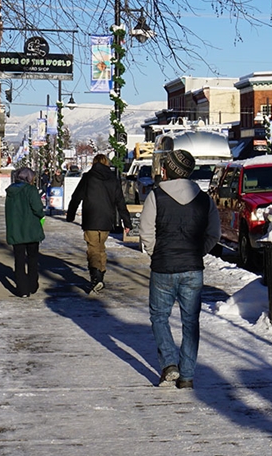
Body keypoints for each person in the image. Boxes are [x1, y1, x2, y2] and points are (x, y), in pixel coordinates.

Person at [139, 149, 220, 390]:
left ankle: (169, 363)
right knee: (190, 322)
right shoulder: (205, 200)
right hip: (192, 268)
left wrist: (156, 252)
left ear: (167, 170)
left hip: (163, 267)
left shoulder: (156, 196)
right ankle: (187, 375)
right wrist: (198, 251)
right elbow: (213, 233)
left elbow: (146, 232)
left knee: (159, 316)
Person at [66, 153, 132, 293]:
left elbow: (76, 197)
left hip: (91, 218)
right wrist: (127, 222)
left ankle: (96, 277)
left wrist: (70, 215)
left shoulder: (88, 178)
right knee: (100, 248)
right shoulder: (113, 180)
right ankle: (100, 275)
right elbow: (120, 202)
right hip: (107, 219)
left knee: (93, 249)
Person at [5, 166, 45, 297]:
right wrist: (41, 215)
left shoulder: (10, 192)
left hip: (16, 230)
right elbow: (38, 208)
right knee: (33, 259)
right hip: (31, 229)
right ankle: (32, 285)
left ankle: (22, 289)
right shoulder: (31, 190)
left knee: (19, 259)